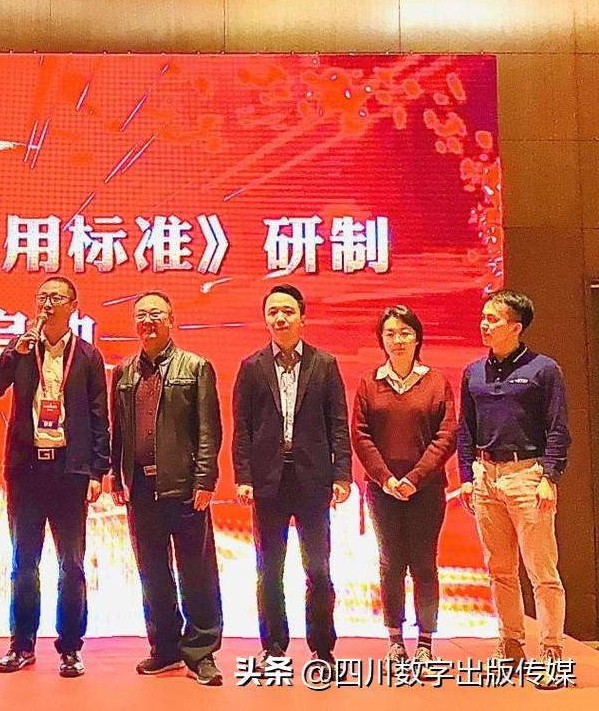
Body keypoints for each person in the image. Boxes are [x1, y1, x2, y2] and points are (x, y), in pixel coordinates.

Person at [0, 275, 110, 678]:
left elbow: (99, 417)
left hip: (69, 470)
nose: (47, 304)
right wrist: (11, 354)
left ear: (73, 306)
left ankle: (70, 648)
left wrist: (97, 470)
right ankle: (21, 645)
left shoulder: (87, 356)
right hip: (26, 470)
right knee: (24, 561)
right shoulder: (22, 349)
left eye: (56, 297)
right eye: (42, 297)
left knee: (71, 563)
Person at [232, 284, 350, 670]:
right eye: (273, 312)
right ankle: (274, 646)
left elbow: (338, 424)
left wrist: (342, 475)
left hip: (313, 479)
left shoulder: (324, 364)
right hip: (268, 481)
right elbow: (242, 428)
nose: (280, 318)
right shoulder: (252, 367)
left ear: (302, 317)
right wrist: (243, 477)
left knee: (318, 568)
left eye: (287, 311)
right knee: (269, 569)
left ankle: (322, 647)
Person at [109, 291, 224, 685]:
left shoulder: (195, 367)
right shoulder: (123, 372)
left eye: (155, 314)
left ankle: (202, 652)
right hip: (140, 486)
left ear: (171, 320)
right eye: (141, 315)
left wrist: (205, 479)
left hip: (184, 486)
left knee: (197, 572)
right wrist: (117, 476)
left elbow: (209, 430)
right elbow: (119, 430)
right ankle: (165, 649)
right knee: (153, 572)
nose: (148, 321)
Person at [458, 289, 570, 691]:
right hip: (486, 474)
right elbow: (466, 428)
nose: (484, 324)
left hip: (528, 474)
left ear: (516, 327)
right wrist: (467, 476)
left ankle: (551, 650)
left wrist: (549, 477)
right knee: (499, 568)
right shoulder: (473, 372)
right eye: (484, 317)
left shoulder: (544, 370)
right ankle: (510, 645)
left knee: (541, 571)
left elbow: (558, 429)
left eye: (494, 319)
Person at [351, 305, 454, 665]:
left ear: (417, 338)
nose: (398, 340)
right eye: (390, 333)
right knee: (390, 562)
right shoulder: (369, 383)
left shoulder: (436, 382)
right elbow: (361, 435)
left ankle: (425, 642)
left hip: (427, 490)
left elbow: (446, 435)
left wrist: (414, 478)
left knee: (425, 563)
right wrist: (386, 478)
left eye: (405, 332)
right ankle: (395, 639)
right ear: (381, 340)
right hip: (383, 490)